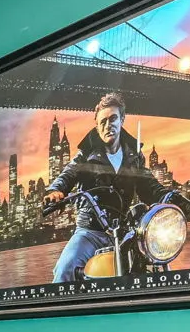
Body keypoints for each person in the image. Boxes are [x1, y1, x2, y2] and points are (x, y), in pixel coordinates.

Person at [43, 92, 151, 283]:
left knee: (151, 266)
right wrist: (55, 191)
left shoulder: (135, 156)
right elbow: (68, 173)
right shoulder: (86, 154)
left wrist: (169, 197)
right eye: (102, 121)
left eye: (113, 118)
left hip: (123, 233)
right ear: (97, 126)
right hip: (90, 232)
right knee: (65, 269)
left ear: (122, 119)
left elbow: (149, 185)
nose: (108, 125)